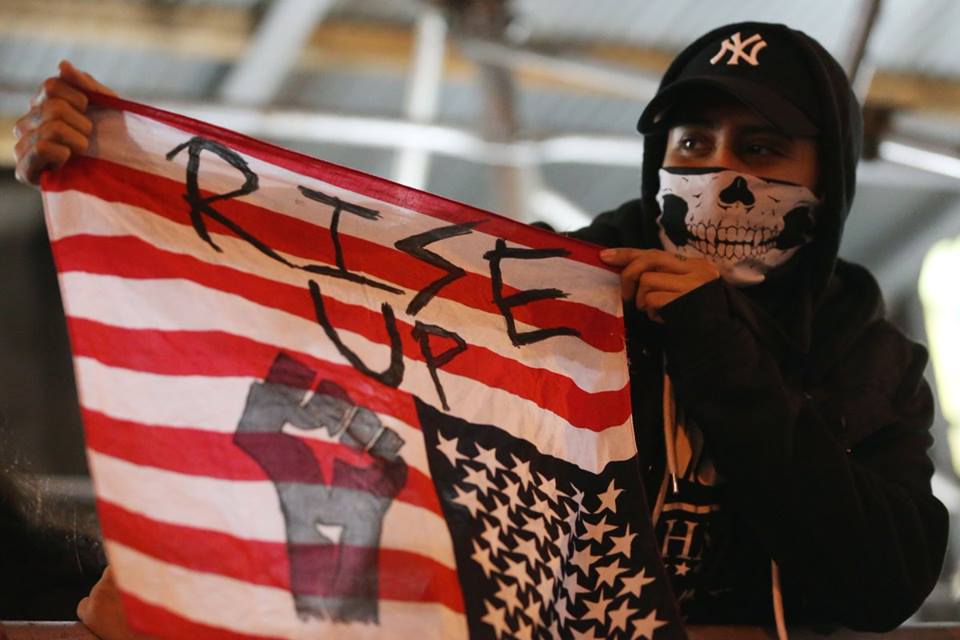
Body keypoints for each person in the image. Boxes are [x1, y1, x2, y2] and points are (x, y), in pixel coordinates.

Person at [12, 21, 948, 638]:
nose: (718, 173)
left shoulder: (873, 363)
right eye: (693, 144)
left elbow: (881, 584)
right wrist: (111, 164)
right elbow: (320, 300)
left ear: (830, 177)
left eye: (763, 147)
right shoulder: (540, 300)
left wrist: (718, 347)